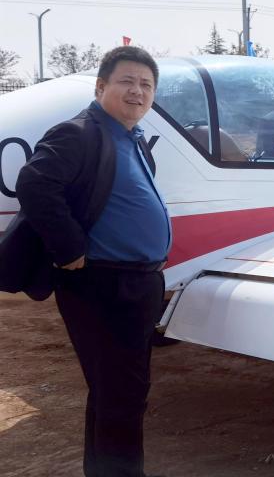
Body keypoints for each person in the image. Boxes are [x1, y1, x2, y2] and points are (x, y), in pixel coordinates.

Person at [15, 46, 171, 476]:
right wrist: (68, 249)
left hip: (134, 284)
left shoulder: (131, 138)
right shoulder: (80, 132)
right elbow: (35, 184)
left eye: (146, 85)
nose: (138, 91)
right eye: (127, 81)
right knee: (122, 395)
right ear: (101, 86)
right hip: (104, 284)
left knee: (113, 392)